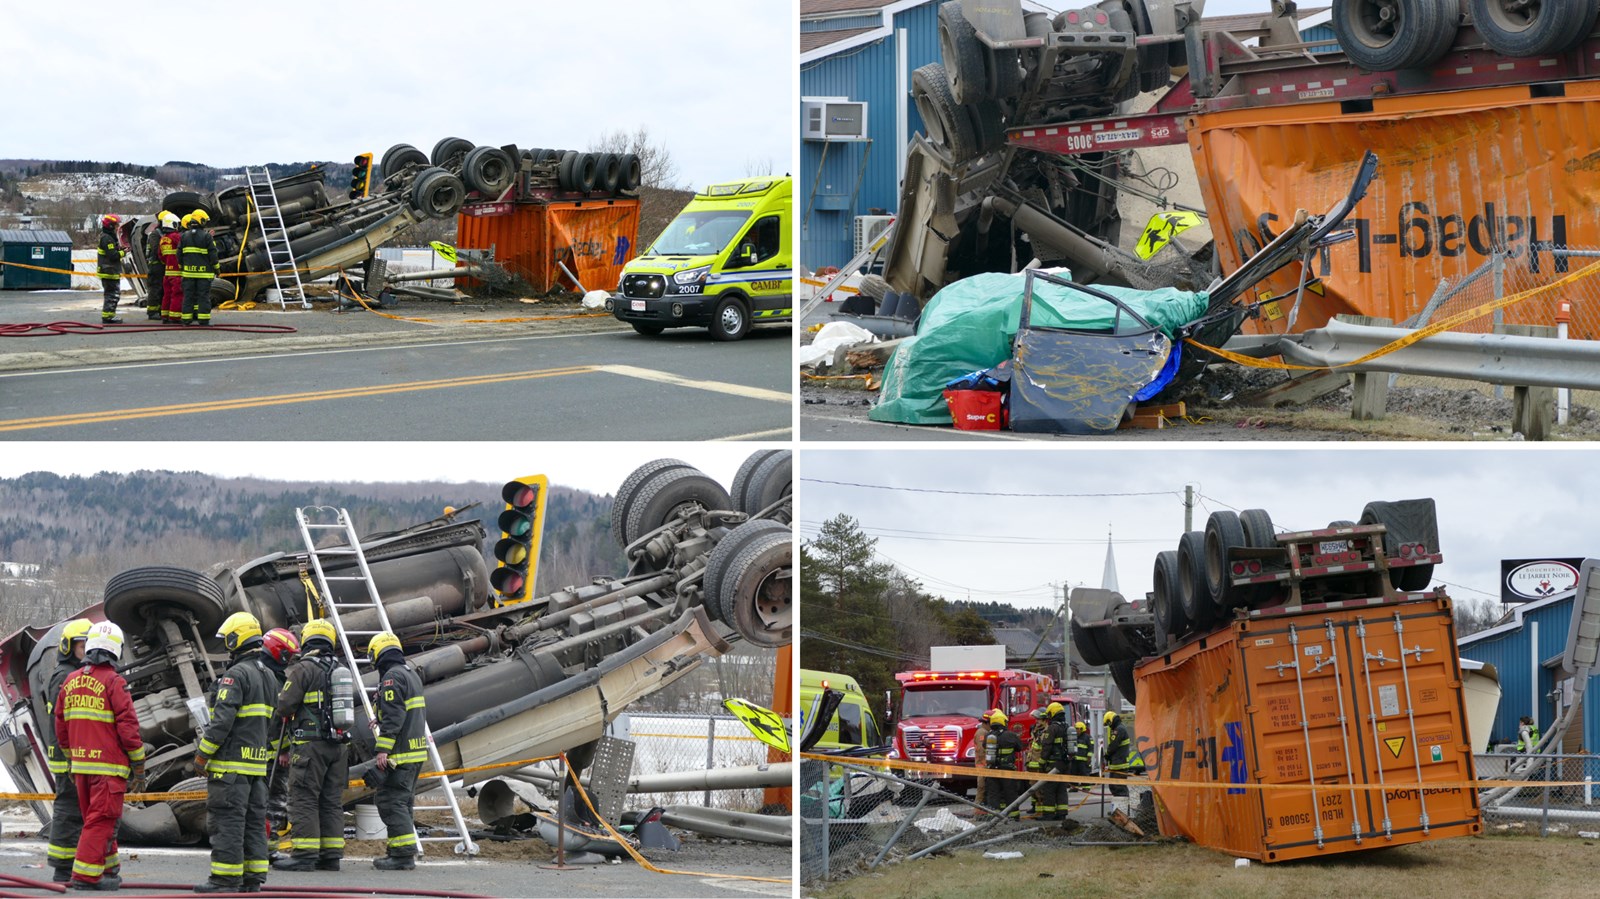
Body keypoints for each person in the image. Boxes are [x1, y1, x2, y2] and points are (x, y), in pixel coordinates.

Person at [54, 621, 144, 892]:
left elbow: (61, 726)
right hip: (108, 769)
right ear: (116, 650)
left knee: (98, 820)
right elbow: (128, 728)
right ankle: (85, 876)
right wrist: (139, 764)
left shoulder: (70, 680)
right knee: (102, 820)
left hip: (81, 768)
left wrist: (72, 759)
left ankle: (108, 869)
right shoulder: (114, 682)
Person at [194, 612, 275, 894]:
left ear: (235, 639)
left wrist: (203, 755)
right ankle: (252, 879)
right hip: (256, 769)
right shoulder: (269, 676)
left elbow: (221, 723)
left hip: (230, 768)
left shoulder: (236, 675)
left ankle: (224, 879)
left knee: (227, 822)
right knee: (253, 823)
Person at [272, 620, 351, 873]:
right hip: (338, 747)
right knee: (331, 800)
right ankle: (330, 856)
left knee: (304, 798)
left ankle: (304, 855)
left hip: (310, 746)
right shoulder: (340, 668)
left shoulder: (303, 669)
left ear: (306, 640)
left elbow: (284, 706)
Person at [369, 632, 429, 871]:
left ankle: (402, 855)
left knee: (390, 800)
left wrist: (383, 749)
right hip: (415, 751)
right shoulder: (410, 674)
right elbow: (401, 710)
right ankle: (399, 851)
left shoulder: (392, 677)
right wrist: (380, 714)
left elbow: (395, 716)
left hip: (401, 753)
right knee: (403, 802)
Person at [40, 620, 92, 883]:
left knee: (78, 811)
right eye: (81, 646)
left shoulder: (78, 673)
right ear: (68, 647)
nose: (86, 650)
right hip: (66, 756)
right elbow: (63, 722)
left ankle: (74, 864)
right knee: (69, 810)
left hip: (75, 754)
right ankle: (62, 868)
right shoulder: (64, 676)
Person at [260, 628, 301, 848]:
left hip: (256, 750)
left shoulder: (258, 672)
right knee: (274, 798)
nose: (289, 660)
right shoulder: (274, 680)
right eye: (288, 655)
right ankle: (270, 841)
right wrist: (283, 749)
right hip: (271, 755)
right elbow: (277, 720)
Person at [179, 209, 218, 326]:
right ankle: (203, 320)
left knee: (188, 296)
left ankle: (186, 320)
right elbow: (213, 255)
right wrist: (217, 268)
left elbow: (179, 254)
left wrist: (182, 266)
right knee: (203, 296)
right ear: (201, 221)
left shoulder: (184, 236)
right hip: (203, 274)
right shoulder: (207, 237)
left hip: (188, 274)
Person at [982, 710, 1023, 819]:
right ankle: (1013, 816)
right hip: (1007, 769)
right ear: (1003, 722)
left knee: (993, 793)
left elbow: (984, 746)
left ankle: (994, 816)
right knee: (1010, 793)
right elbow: (1020, 747)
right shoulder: (1011, 735)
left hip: (992, 769)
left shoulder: (988, 736)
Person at [1035, 702, 1070, 820]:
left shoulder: (1052, 728)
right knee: (1061, 788)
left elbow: (1047, 746)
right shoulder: (1067, 727)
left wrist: (1042, 762)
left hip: (1053, 764)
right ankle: (1062, 813)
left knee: (1049, 789)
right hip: (1065, 763)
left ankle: (1048, 814)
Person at [96, 215, 123, 324]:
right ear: (110, 225)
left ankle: (109, 315)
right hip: (109, 271)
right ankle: (108, 317)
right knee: (112, 295)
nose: (117, 227)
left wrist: (120, 249)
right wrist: (123, 252)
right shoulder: (107, 238)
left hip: (109, 271)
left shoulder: (108, 237)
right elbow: (113, 256)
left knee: (112, 294)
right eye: (116, 225)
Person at [158, 213, 185, 324]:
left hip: (167, 272)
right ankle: (175, 317)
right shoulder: (175, 237)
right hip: (177, 272)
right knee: (177, 294)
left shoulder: (163, 239)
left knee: (167, 294)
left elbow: (160, 256)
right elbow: (184, 249)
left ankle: (165, 315)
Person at [1102, 710, 1133, 800]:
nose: (1109, 726)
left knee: (1118, 787)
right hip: (1117, 764)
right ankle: (1119, 805)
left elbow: (1113, 745)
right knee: (1114, 786)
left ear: (1110, 720)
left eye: (1108, 724)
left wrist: (1107, 754)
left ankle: (1122, 806)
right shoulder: (1119, 728)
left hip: (1120, 764)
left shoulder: (1118, 730)